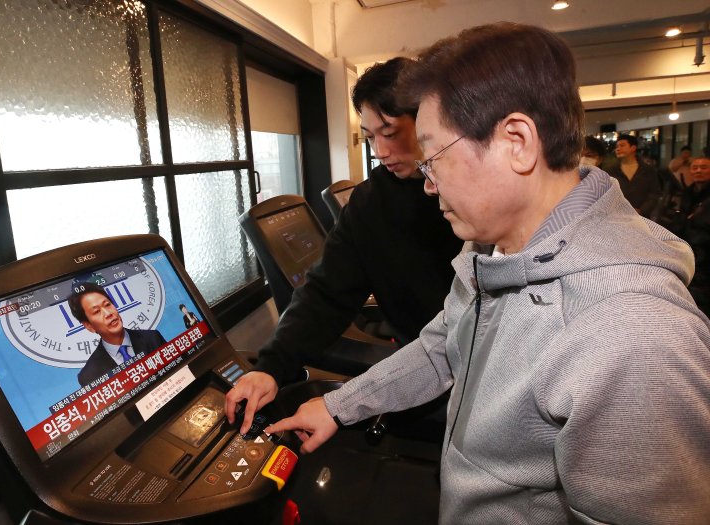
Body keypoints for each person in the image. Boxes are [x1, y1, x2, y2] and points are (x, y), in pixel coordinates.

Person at [264, 23, 710, 524]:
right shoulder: (493, 249)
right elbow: (444, 346)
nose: (428, 186)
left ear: (516, 142)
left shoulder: (633, 332)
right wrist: (339, 405)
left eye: (433, 159)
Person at [225, 57, 462, 433]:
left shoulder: (472, 193)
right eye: (370, 137)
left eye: (390, 132)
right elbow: (325, 292)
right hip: (421, 370)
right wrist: (271, 367)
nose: (380, 151)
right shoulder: (371, 204)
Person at [69, 282, 166, 386]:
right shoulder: (89, 375)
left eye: (107, 305)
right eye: (97, 311)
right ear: (89, 326)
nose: (108, 314)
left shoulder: (153, 338)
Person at [606, 134, 661, 216]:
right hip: (616, 216)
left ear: (633, 148)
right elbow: (605, 194)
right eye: (617, 146)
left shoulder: (648, 170)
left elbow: (654, 194)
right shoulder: (610, 171)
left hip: (642, 218)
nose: (618, 149)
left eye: (622, 145)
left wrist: (642, 210)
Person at [683, 156, 710, 316]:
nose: (699, 171)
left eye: (704, 167)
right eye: (695, 168)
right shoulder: (686, 193)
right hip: (690, 256)